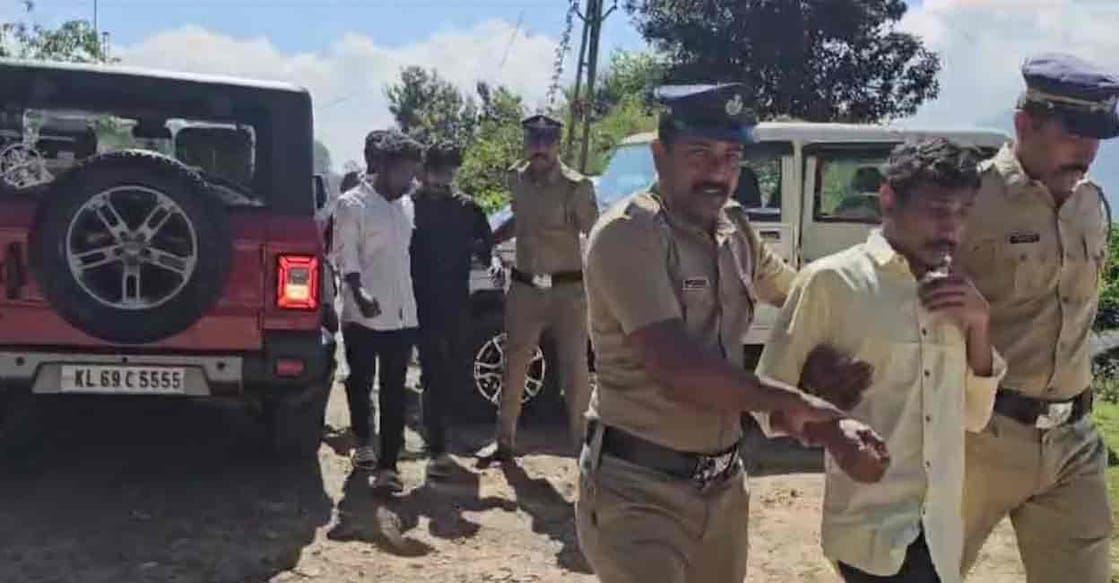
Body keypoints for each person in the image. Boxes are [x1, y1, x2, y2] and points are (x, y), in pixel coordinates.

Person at [574, 83, 890, 583]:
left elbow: (806, 299)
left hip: (722, 488)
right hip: (637, 492)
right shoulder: (628, 234)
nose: (718, 173)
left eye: (731, 156)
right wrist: (807, 408)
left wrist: (896, 288)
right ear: (661, 155)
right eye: (699, 154)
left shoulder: (736, 232)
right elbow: (679, 369)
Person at [756, 138, 1006, 583]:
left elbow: (975, 415)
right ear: (889, 198)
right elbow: (765, 401)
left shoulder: (958, 294)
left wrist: (979, 325)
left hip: (941, 534)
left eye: (963, 212)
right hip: (869, 532)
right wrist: (831, 430)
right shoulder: (832, 282)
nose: (950, 228)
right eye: (936, 210)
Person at [954, 53, 1117, 583]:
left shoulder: (1092, 205)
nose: (1088, 152)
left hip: (1073, 440)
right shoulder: (966, 200)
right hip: (978, 436)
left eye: (1097, 138)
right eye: (1073, 135)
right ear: (1025, 124)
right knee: (922, 572)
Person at [487, 113, 599, 461]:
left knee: (575, 372)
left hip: (568, 291)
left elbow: (596, 235)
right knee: (514, 367)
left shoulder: (576, 187)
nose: (539, 148)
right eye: (533, 140)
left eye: (546, 140)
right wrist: (488, 239)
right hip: (524, 289)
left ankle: (581, 446)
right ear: (526, 143)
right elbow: (518, 221)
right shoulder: (516, 180)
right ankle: (504, 442)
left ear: (557, 144)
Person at [332, 129, 423, 494]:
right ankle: (363, 443)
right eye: (405, 171)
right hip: (363, 313)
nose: (411, 179)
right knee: (360, 382)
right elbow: (345, 255)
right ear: (383, 167)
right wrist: (358, 291)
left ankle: (389, 466)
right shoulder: (351, 204)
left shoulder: (406, 205)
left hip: (403, 314)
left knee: (394, 390)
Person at [411, 140, 495, 480]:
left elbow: (486, 247)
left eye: (448, 173)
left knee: (450, 371)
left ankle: (439, 435)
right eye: (437, 173)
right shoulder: (409, 205)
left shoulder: (468, 209)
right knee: (433, 372)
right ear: (425, 171)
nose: (442, 180)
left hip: (455, 303)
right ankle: (437, 448)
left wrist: (483, 255)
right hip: (418, 302)